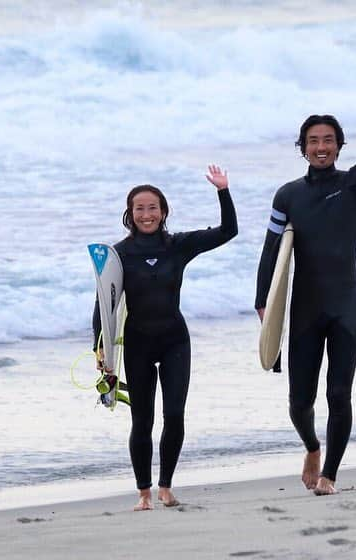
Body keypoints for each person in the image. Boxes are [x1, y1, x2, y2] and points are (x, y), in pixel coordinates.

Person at [255, 45, 356, 495]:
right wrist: (264, 301)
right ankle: (312, 446)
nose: (321, 147)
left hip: (345, 307)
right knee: (300, 403)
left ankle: (330, 475)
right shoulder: (288, 196)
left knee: (339, 395)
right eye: (313, 141)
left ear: (338, 146)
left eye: (328, 140)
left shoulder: (354, 185)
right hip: (304, 310)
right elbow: (272, 248)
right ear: (303, 148)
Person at [93, 165, 237, 511]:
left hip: (175, 341)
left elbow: (228, 231)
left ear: (164, 212)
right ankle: (143, 492)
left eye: (153, 207)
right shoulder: (118, 255)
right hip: (138, 344)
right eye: (139, 208)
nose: (147, 214)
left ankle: (166, 487)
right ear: (129, 214)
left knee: (174, 415)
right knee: (142, 420)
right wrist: (100, 350)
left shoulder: (179, 245)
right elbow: (103, 304)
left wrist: (223, 191)